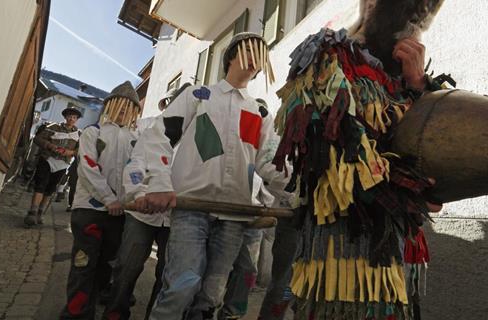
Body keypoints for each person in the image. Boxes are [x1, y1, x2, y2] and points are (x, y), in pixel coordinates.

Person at [271, 0, 451, 319]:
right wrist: (411, 191)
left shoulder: (404, 79)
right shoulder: (329, 52)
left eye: (423, 14)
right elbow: (328, 153)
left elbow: (430, 151)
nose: (414, 21)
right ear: (369, 3)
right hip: (340, 235)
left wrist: (419, 86)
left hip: (396, 241)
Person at [123, 32, 290, 320]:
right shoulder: (198, 96)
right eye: (249, 52)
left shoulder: (260, 112)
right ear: (231, 56)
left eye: (260, 56)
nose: (254, 61)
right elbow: (158, 139)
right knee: (181, 287)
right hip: (191, 210)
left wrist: (299, 193)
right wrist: (160, 184)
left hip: (234, 218)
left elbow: (270, 163)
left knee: (211, 295)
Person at [102, 82, 191, 320]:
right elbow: (135, 165)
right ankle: (115, 313)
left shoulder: (195, 137)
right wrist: (138, 194)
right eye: (176, 104)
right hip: (141, 213)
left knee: (167, 273)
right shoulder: (151, 129)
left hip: (175, 219)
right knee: (126, 267)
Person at [60, 81, 143, 319]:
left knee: (107, 265)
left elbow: (137, 172)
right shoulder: (92, 132)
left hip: (119, 214)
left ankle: (93, 304)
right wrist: (108, 199)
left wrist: (132, 198)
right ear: (110, 105)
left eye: (130, 108)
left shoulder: (135, 139)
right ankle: (75, 314)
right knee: (83, 263)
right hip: (90, 210)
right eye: (120, 105)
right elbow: (87, 168)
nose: (124, 111)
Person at [25, 107, 81, 226]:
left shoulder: (78, 134)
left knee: (50, 188)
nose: (72, 119)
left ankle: (40, 213)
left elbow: (79, 150)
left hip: (63, 163)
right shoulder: (53, 127)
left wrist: (70, 153)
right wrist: (51, 146)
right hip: (47, 159)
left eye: (74, 117)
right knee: (41, 184)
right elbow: (37, 139)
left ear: (77, 120)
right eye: (70, 116)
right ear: (65, 117)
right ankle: (32, 212)